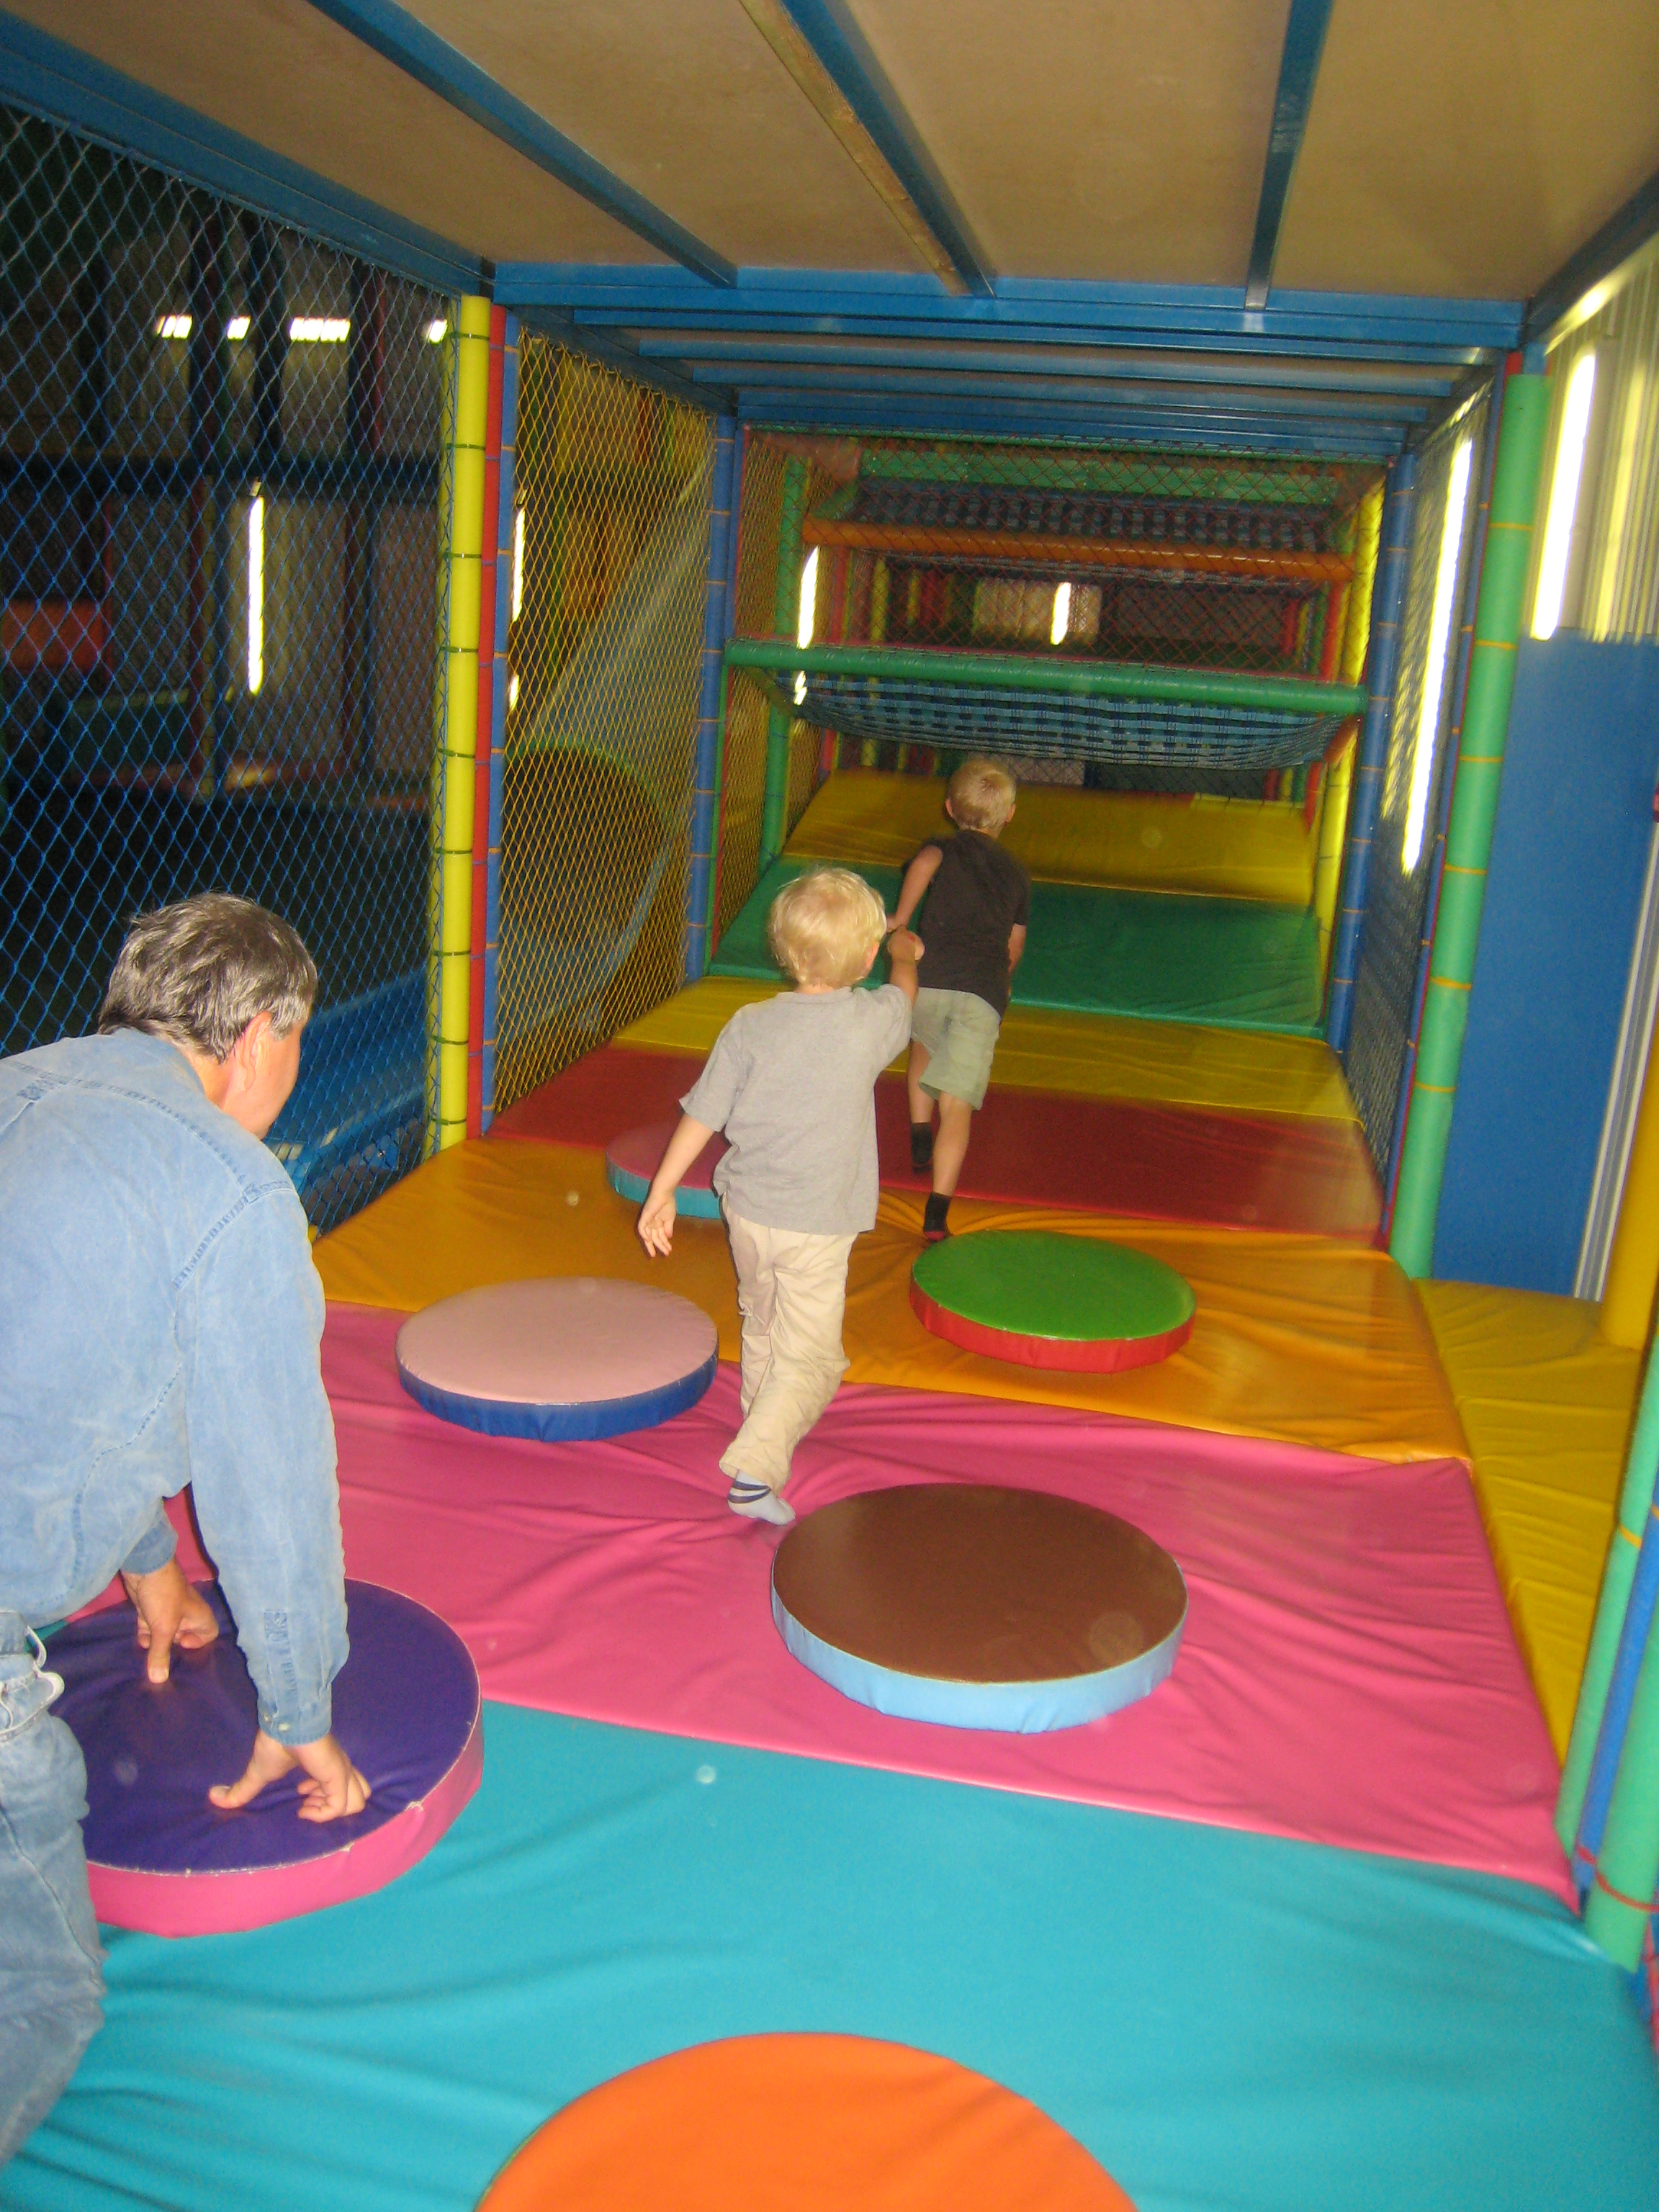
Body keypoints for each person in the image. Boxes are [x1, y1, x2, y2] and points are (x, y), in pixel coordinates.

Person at [0, 894, 368, 2167]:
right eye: (298, 1044)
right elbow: (269, 1478)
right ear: (260, 1031)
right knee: (40, 1997)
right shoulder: (227, 1187)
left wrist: (147, 1561)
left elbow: (48, 1364)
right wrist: (298, 1705)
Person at [637, 868, 922, 1525]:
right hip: (816, 1224)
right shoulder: (868, 1022)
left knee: (762, 1317)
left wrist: (663, 1190)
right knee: (815, 1359)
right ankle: (755, 1469)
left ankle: (760, 1418)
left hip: (748, 1212)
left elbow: (703, 1113)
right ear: (867, 957)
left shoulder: (750, 1024)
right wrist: (905, 957)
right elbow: (904, 1000)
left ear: (785, 950)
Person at [884, 757, 1030, 1242]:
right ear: (1009, 815)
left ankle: (918, 1130)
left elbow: (923, 865)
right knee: (958, 1105)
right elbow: (1014, 945)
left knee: (923, 1046)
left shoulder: (941, 848)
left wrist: (900, 918)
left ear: (949, 808)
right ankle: (937, 1213)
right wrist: (1001, 978)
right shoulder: (1016, 873)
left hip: (932, 979)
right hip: (981, 993)